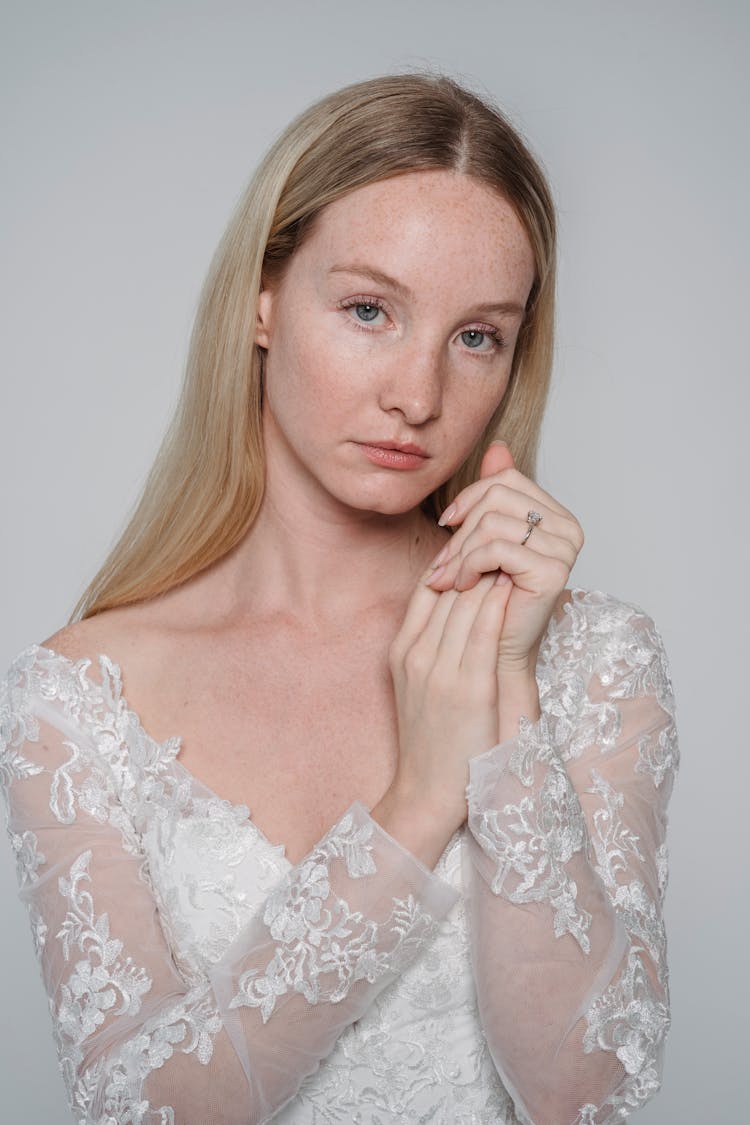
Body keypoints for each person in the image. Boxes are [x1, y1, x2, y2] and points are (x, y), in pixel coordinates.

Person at [0, 72, 679, 1125]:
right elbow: (138, 1111)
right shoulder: (78, 699)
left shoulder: (596, 663)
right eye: (370, 310)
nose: (418, 396)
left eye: (477, 336)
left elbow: (588, 1093)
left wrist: (504, 715)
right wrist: (421, 798)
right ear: (263, 301)